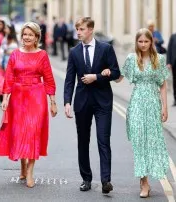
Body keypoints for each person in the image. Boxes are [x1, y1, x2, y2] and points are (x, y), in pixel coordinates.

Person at [102, 28, 169, 198]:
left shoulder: (159, 59)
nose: (143, 44)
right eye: (140, 41)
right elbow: (119, 77)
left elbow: (162, 84)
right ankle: (144, 182)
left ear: (151, 42)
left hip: (153, 104)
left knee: (151, 142)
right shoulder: (132, 59)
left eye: (146, 41)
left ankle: (148, 178)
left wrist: (165, 107)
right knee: (139, 143)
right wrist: (108, 71)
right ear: (136, 42)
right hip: (137, 103)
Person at [0, 22, 57, 188]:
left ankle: (30, 171)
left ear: (36, 37)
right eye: (24, 34)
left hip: (36, 95)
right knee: (20, 132)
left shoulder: (42, 55)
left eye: (30, 35)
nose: (26, 37)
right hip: (18, 97)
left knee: (33, 131)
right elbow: (9, 78)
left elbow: (49, 79)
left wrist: (53, 102)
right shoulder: (15, 54)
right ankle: (22, 165)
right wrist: (5, 98)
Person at [63, 17, 120, 194]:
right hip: (82, 102)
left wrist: (97, 76)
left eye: (81, 29)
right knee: (83, 141)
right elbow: (69, 79)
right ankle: (86, 179)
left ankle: (105, 180)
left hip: (103, 101)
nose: (78, 32)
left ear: (90, 30)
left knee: (103, 140)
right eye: (77, 29)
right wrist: (67, 101)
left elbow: (117, 73)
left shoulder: (106, 48)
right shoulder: (74, 52)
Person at [166, 32, 176, 106]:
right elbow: (169, 50)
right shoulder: (173, 37)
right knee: (175, 82)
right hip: (174, 63)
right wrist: (168, 62)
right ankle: (175, 99)